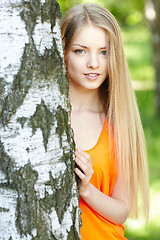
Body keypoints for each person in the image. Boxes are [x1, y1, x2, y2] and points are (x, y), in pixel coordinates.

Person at [61, 3, 149, 240]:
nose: (94, 63)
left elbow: (121, 211)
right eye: (80, 51)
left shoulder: (119, 121)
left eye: (104, 51)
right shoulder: (38, 117)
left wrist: (87, 190)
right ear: (63, 52)